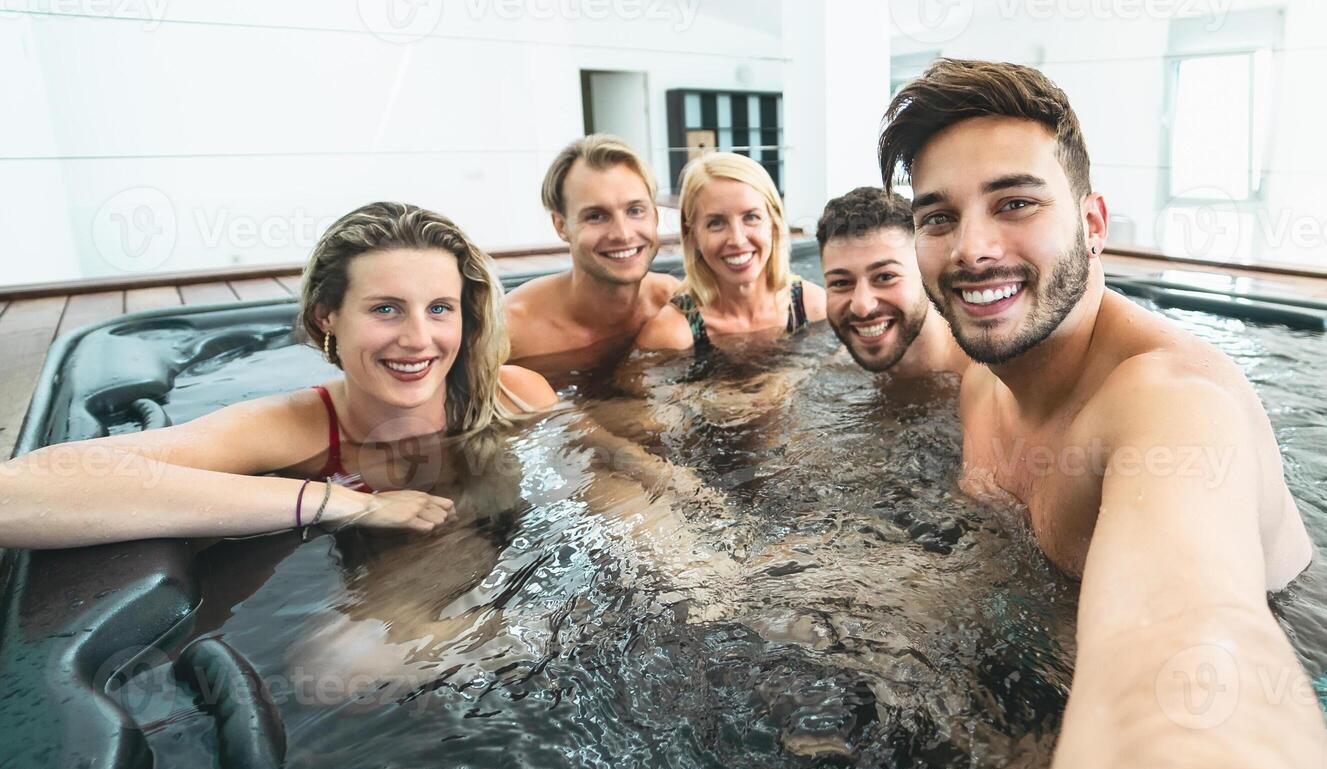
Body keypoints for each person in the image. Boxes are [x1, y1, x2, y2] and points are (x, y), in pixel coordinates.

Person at [879, 59, 1327, 769]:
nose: (973, 248)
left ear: (1093, 225)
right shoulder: (987, 368)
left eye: (1015, 202)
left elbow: (1186, 653)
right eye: (938, 217)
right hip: (1049, 633)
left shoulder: (1167, 405)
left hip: (1286, 681)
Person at [0, 201, 558, 550]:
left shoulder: (516, 394)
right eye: (385, 308)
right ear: (326, 316)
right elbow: (17, 495)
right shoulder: (297, 428)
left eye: (440, 308)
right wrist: (342, 502)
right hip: (390, 604)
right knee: (346, 666)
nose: (418, 339)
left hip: (501, 573)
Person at [505, 135, 689, 377]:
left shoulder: (674, 303)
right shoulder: (512, 328)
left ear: (654, 216)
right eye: (596, 216)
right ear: (561, 226)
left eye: (635, 211)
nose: (622, 234)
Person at [636, 152, 827, 351]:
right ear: (693, 236)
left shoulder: (814, 307)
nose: (737, 239)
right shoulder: (670, 335)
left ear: (774, 223)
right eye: (716, 223)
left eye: (751, 217)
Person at [817, 186, 971, 379]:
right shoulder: (838, 366)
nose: (862, 307)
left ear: (926, 271)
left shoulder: (983, 377)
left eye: (885, 277)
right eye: (841, 283)